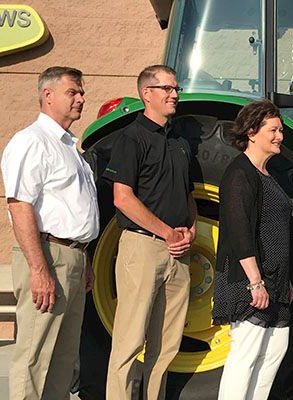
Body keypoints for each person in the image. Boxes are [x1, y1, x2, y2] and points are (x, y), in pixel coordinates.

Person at [1, 66, 99, 399]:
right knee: (34, 355)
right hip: (47, 256)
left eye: (81, 92)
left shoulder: (70, 147)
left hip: (71, 257)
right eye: (73, 92)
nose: (81, 98)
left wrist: (82, 259)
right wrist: (39, 268)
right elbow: (19, 206)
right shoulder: (31, 141)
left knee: (63, 358)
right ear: (48, 95)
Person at [103, 65, 197, 400]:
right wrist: (168, 232)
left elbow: (187, 195)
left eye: (176, 88)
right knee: (130, 342)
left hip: (179, 253)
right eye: (167, 89)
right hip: (143, 249)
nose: (174, 95)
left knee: (167, 345)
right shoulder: (131, 138)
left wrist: (190, 230)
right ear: (147, 94)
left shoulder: (180, 142)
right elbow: (122, 198)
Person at [213, 99, 293, 400]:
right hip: (250, 281)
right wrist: (255, 282)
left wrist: (285, 281)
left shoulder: (267, 176)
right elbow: (239, 231)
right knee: (246, 355)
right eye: (273, 130)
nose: (280, 137)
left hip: (275, 280)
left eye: (281, 130)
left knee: (273, 351)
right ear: (251, 132)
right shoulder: (239, 174)